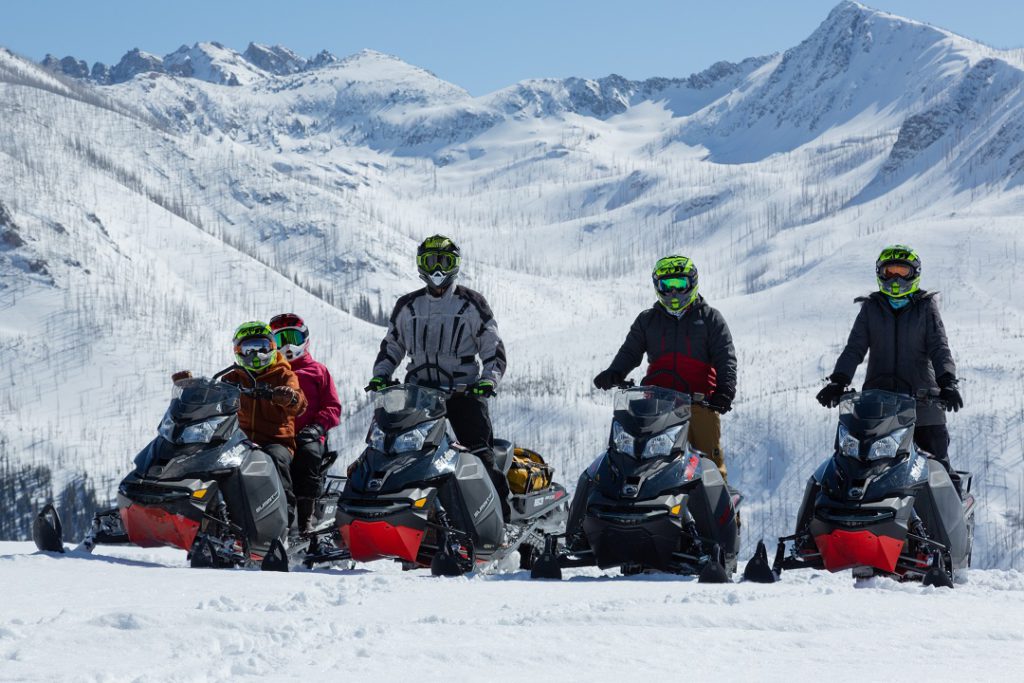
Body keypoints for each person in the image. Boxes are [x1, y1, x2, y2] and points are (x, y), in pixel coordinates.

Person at [366, 234, 511, 518]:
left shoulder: (471, 303)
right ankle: (389, 514)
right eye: (430, 261)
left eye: (444, 261)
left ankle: (501, 521)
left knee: (479, 455)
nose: (437, 268)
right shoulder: (407, 305)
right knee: (393, 449)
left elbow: (493, 348)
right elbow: (391, 346)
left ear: (455, 264)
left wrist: (488, 381)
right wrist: (381, 376)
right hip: (418, 396)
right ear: (420, 265)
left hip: (463, 393)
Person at [816, 244, 963, 477]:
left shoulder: (925, 307)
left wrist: (948, 383)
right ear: (879, 274)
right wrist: (838, 381)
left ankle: (951, 511)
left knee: (938, 471)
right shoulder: (871, 308)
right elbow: (854, 348)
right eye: (889, 272)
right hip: (878, 407)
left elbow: (939, 347)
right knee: (857, 469)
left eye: (901, 272)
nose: (895, 279)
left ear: (914, 273)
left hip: (924, 405)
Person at [592, 255, 738, 480]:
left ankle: (723, 514)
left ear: (691, 283)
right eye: (666, 286)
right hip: (656, 405)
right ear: (657, 287)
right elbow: (630, 351)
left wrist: (725, 389)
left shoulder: (710, 319)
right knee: (639, 460)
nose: (673, 293)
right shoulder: (648, 320)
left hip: (699, 405)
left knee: (710, 468)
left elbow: (725, 357)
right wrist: (615, 372)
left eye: (679, 285)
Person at [221, 321, 307, 526]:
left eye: (262, 347)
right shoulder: (231, 377)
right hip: (239, 441)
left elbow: (300, 402)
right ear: (238, 351)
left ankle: (286, 521)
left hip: (275, 440)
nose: (256, 355)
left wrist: (290, 397)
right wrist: (191, 388)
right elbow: (215, 397)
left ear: (271, 347)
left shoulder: (284, 375)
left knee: (276, 461)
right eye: (249, 349)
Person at [269, 313, 342, 533]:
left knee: (308, 456)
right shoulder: (272, 373)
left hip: (308, 435)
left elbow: (333, 406)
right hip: (277, 435)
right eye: (282, 340)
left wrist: (317, 427)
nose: (289, 345)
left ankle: (305, 521)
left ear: (305, 339)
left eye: (294, 338)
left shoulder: (318, 371)